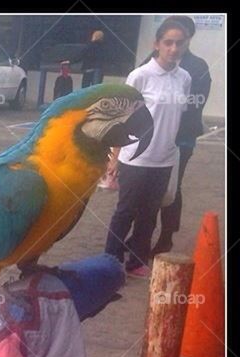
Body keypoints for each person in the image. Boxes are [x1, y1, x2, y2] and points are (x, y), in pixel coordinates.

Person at [104, 17, 192, 279]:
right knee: (125, 212)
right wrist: (114, 157)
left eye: (179, 43)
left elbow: (178, 117)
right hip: (136, 158)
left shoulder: (184, 78)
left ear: (185, 45)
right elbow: (122, 118)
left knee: (149, 215)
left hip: (164, 160)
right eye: (168, 43)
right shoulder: (140, 76)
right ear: (157, 44)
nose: (173, 48)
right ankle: (109, 261)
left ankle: (136, 261)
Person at [152, 16, 211, 256]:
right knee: (147, 186)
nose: (173, 45)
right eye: (168, 40)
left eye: (180, 38)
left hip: (181, 139)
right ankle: (140, 233)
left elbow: (194, 105)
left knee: (171, 187)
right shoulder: (154, 59)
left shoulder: (197, 67)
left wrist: (169, 129)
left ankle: (166, 236)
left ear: (188, 38)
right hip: (152, 137)